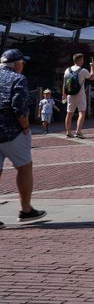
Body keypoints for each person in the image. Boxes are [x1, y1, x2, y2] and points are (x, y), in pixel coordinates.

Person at [0, 48, 45, 225]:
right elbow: (19, 106)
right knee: (24, 167)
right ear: (17, 64)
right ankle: (26, 209)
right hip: (11, 131)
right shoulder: (18, 78)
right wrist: (25, 127)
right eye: (22, 63)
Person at [62, 53, 94, 139]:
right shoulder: (83, 70)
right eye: (82, 59)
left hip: (70, 94)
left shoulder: (67, 70)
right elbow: (92, 77)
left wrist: (64, 94)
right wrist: (92, 66)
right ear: (80, 60)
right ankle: (78, 132)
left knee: (69, 114)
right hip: (80, 95)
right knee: (81, 112)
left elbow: (64, 84)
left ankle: (68, 132)